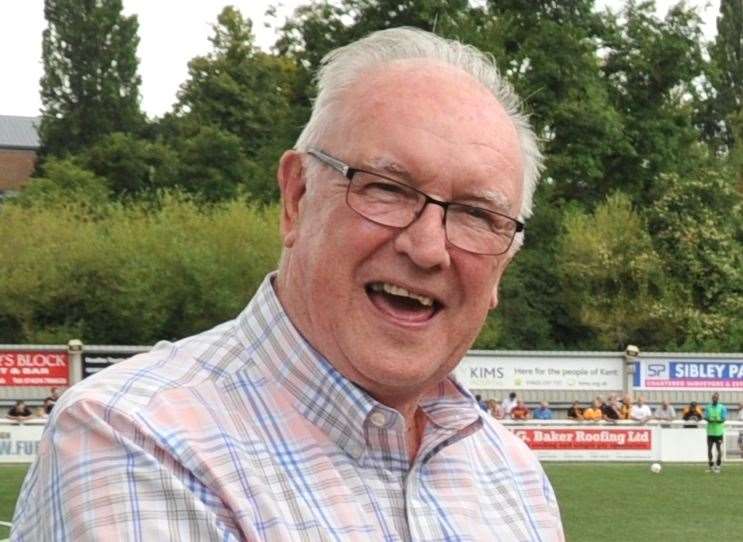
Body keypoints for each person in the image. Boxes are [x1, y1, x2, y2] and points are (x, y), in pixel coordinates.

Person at [11, 28, 563, 541]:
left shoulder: (514, 480)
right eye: (388, 189)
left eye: (475, 215)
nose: (427, 248)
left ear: (502, 271)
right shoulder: (133, 437)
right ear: (296, 198)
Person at [703, 392, 727, 473]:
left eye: (716, 398)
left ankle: (718, 466)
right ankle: (711, 466)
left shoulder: (722, 407)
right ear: (712, 398)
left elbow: (724, 418)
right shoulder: (708, 407)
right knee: (709, 449)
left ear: (718, 398)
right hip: (710, 432)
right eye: (713, 398)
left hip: (719, 432)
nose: (715, 399)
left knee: (719, 449)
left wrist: (718, 420)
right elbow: (705, 417)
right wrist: (708, 419)